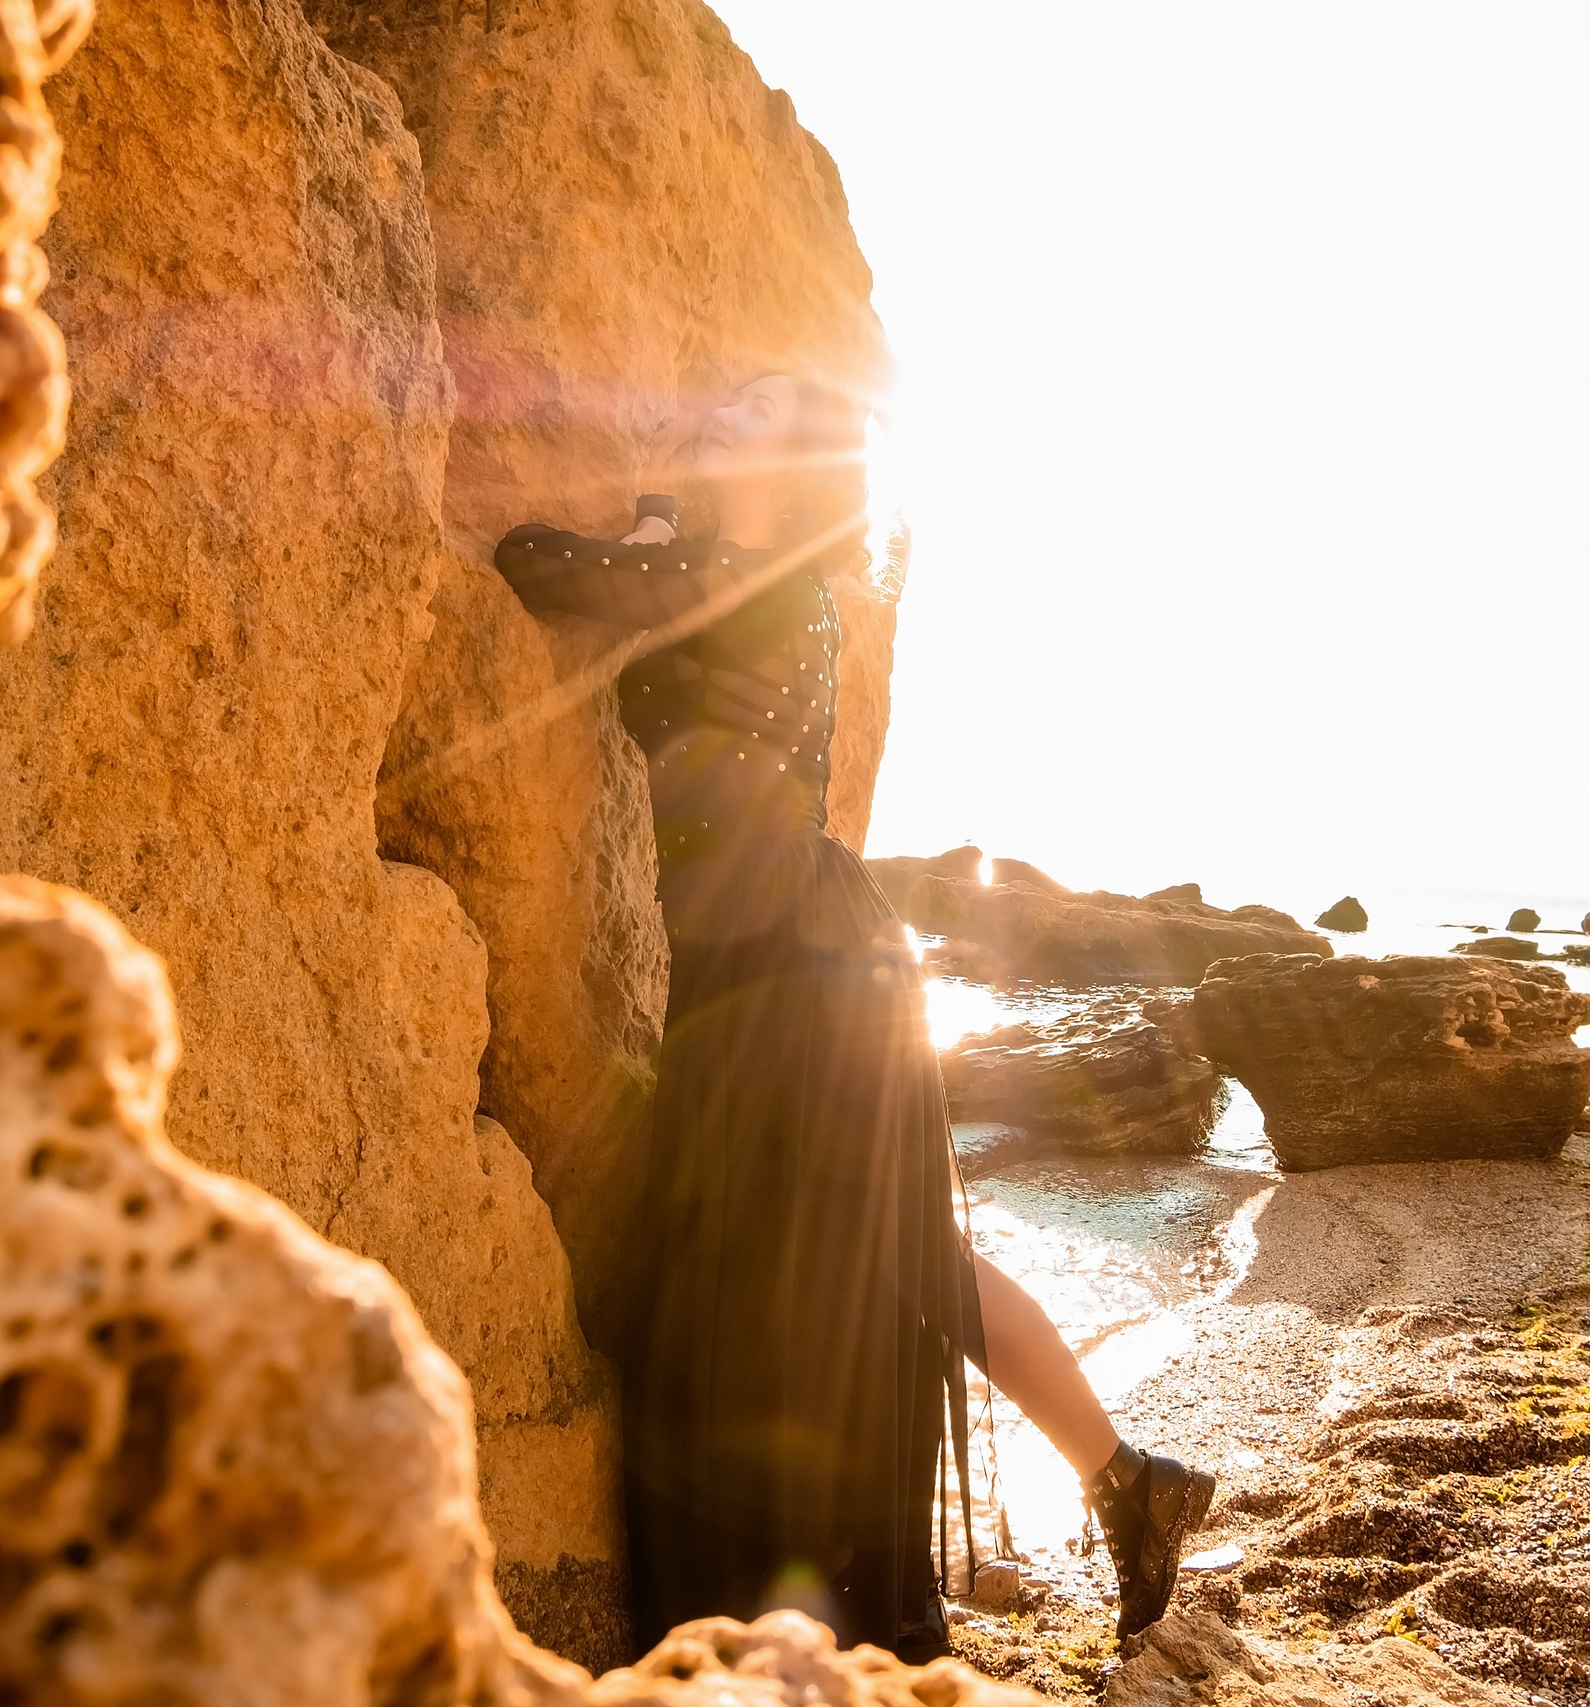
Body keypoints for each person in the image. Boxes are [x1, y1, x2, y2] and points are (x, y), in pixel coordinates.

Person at [495, 374, 1213, 1660]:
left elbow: (538, 562)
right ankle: (1125, 1480)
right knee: (870, 1263)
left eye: (757, 411)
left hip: (803, 969)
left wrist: (653, 517)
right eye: (732, 399)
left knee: (889, 1260)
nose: (724, 412)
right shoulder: (754, 578)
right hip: (767, 965)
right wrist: (667, 519)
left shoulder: (758, 582)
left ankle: (1111, 1483)